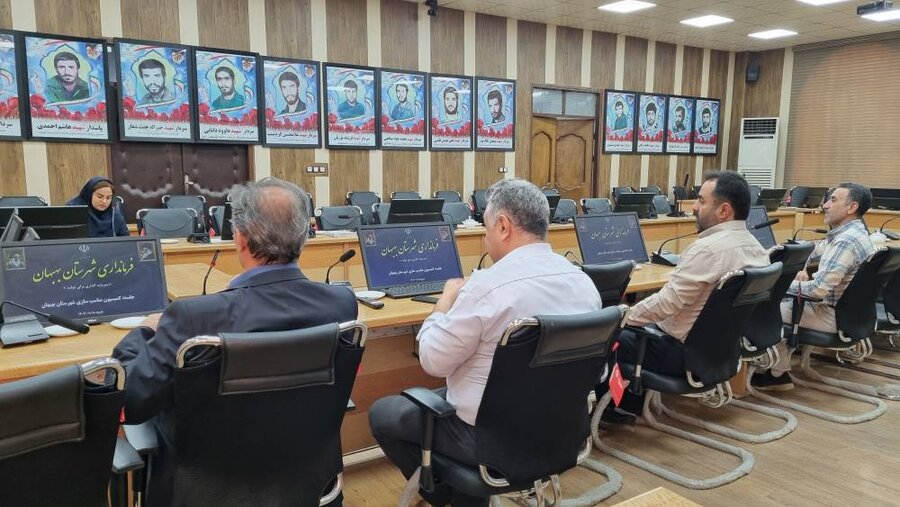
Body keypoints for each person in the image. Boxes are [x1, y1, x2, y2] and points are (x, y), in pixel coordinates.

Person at [112, 177, 358, 506]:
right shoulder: (342, 304)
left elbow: (130, 402)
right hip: (308, 484)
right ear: (305, 236)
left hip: (204, 492)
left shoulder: (192, 318)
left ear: (239, 238)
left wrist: (143, 332)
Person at [369, 179, 602, 507]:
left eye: (487, 227)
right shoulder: (584, 283)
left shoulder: (487, 288)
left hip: (491, 443)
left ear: (503, 226)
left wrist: (445, 301)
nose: (485, 236)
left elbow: (432, 360)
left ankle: (445, 496)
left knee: (383, 413)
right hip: (563, 433)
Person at [597, 171, 769, 419]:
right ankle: (625, 404)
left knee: (599, 337)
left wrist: (619, 318)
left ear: (724, 210)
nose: (694, 207)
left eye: (701, 201)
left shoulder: (708, 249)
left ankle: (608, 411)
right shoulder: (757, 248)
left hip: (680, 356)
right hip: (721, 353)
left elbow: (666, 303)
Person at [752, 183, 876, 390]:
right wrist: (790, 260)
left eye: (833, 200)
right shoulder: (853, 233)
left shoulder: (845, 241)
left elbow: (818, 290)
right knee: (787, 295)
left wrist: (777, 285)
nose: (825, 205)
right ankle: (778, 370)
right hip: (853, 316)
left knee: (763, 306)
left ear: (852, 207)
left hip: (832, 316)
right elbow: (814, 251)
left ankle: (774, 372)